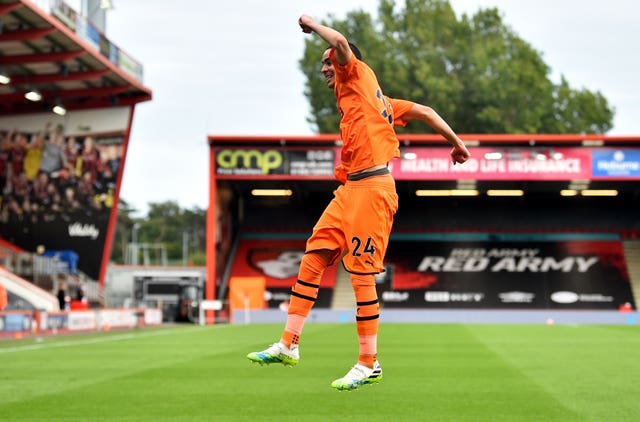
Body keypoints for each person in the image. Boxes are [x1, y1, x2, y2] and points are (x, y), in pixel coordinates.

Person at [247, 15, 471, 391]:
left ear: (344, 61)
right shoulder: (375, 99)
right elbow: (427, 112)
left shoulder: (355, 73)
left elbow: (341, 44)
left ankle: (369, 363)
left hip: (373, 190)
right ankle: (288, 344)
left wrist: (312, 24)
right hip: (349, 190)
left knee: (361, 274)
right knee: (313, 256)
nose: (324, 68)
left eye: (327, 62)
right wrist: (456, 142)